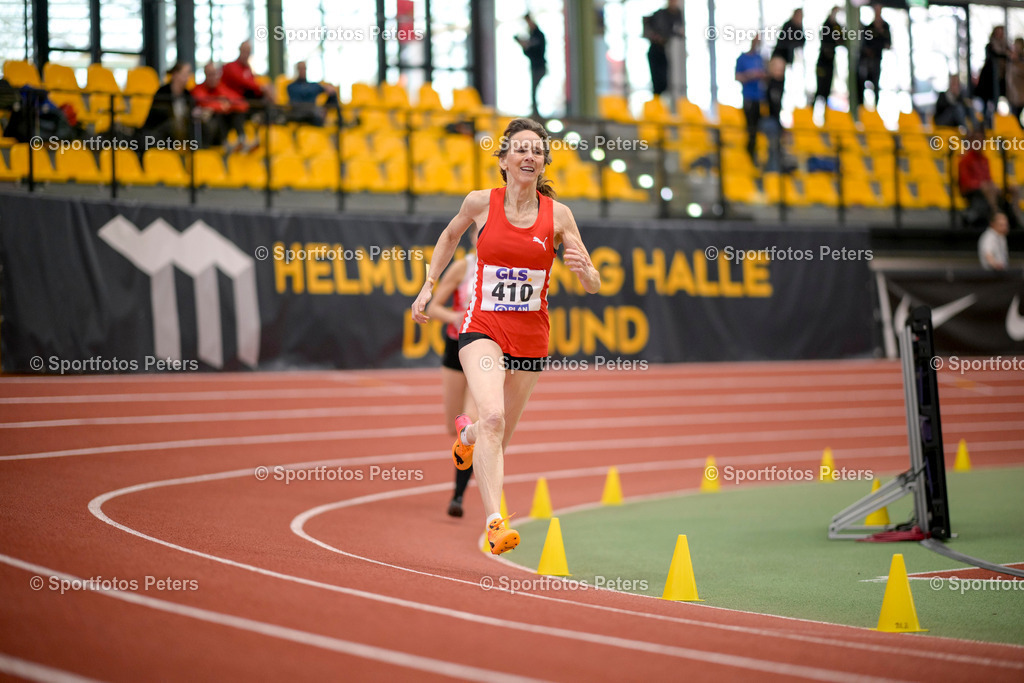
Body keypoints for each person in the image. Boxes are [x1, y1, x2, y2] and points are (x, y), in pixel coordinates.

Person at [411, 118, 601, 555]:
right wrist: (427, 284)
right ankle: (496, 523)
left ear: (543, 162)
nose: (529, 156)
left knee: (499, 435)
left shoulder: (560, 215)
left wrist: (585, 270)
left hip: (531, 336)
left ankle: (468, 436)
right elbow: (448, 235)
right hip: (482, 328)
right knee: (493, 416)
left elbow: (592, 283)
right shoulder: (480, 203)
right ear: (503, 160)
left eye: (537, 150)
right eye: (521, 149)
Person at [425, 226, 480, 517]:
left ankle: (457, 497)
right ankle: (459, 489)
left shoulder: (507, 270)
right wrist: (455, 316)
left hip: (486, 353)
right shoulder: (463, 267)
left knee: (470, 425)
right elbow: (434, 307)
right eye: (480, 233)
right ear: (473, 238)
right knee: (453, 425)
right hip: (456, 347)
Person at [192, 62, 251, 151]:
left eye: (215, 74)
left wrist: (228, 106)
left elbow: (243, 104)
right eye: (210, 74)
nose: (213, 78)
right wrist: (222, 105)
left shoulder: (221, 88)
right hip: (209, 131)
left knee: (236, 113)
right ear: (205, 75)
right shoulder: (198, 89)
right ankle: (225, 144)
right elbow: (204, 102)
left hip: (225, 124)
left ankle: (242, 140)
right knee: (217, 114)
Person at [141, 61, 196, 144]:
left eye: (188, 74)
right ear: (175, 75)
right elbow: (157, 117)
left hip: (181, 133)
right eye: (185, 74)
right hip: (161, 133)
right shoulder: (162, 92)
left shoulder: (187, 94)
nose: (188, 77)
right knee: (171, 124)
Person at [643, 0, 684, 96]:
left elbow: (677, 31)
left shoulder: (676, 14)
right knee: (658, 82)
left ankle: (660, 101)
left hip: (663, 49)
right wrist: (655, 37)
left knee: (664, 81)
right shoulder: (660, 14)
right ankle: (656, 102)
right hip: (655, 49)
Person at [736, 37, 766, 164]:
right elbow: (737, 77)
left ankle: (757, 158)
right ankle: (748, 158)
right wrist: (750, 75)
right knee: (750, 130)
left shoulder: (760, 59)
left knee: (760, 131)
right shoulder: (742, 58)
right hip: (749, 98)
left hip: (760, 99)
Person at [856, 2, 891, 109]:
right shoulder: (869, 27)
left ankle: (876, 109)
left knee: (876, 85)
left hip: (877, 60)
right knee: (862, 84)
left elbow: (888, 44)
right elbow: (866, 44)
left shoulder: (885, 26)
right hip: (866, 61)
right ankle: (862, 109)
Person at [285, 61, 338, 126]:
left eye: (304, 68)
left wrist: (329, 88)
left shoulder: (313, 85)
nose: (303, 71)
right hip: (298, 115)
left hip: (313, 116)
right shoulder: (291, 87)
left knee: (332, 94)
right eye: (300, 68)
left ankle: (340, 127)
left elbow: (330, 90)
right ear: (297, 70)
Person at [976, 26, 1009, 127]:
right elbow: (995, 55)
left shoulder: (1006, 46)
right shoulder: (990, 46)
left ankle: (996, 124)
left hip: (1000, 81)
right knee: (987, 106)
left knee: (998, 103)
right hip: (988, 81)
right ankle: (986, 125)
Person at [516, 15, 547, 117]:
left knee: (535, 91)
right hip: (535, 67)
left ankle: (537, 114)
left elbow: (537, 52)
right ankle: (536, 113)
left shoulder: (538, 35)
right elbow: (530, 54)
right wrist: (524, 46)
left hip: (540, 66)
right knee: (533, 91)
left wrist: (526, 46)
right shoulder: (533, 35)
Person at [814, 7, 844, 108]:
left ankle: (826, 114)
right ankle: (813, 112)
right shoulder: (826, 25)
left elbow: (842, 39)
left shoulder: (836, 26)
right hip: (822, 61)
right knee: (820, 89)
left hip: (830, 61)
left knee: (827, 89)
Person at [1005, 38, 1024, 124]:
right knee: (1014, 118)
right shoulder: (1010, 63)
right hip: (1012, 95)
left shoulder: (1019, 62)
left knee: (1016, 119)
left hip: (1019, 96)